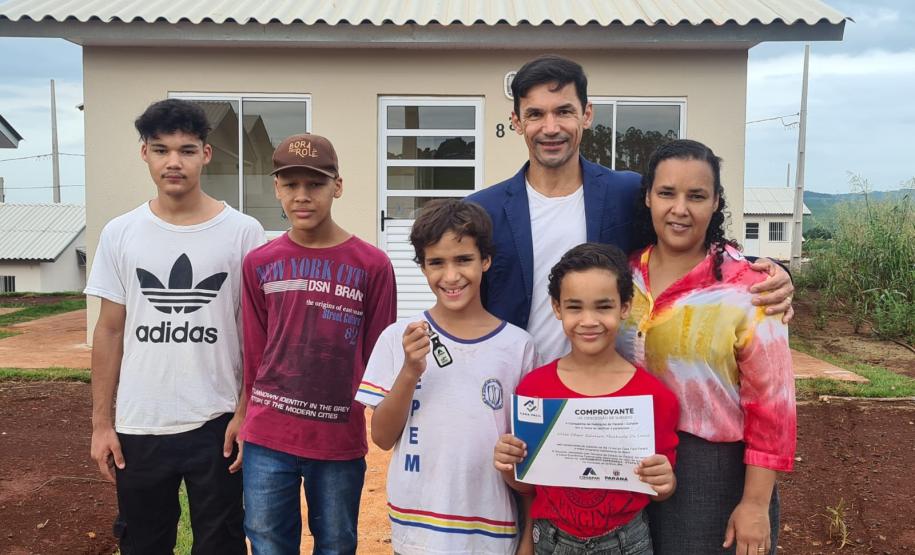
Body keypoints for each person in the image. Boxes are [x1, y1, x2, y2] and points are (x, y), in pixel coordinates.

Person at [466, 54, 794, 365]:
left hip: (610, 389)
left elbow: (689, 246)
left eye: (564, 111)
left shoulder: (625, 192)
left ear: (587, 114)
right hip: (516, 387)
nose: (551, 128)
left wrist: (768, 272)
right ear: (517, 121)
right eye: (535, 114)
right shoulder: (483, 211)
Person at [86, 98, 266, 554]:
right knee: (143, 544)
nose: (173, 162)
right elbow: (109, 331)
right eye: (160, 149)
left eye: (186, 150)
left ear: (206, 154)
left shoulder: (243, 232)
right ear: (144, 153)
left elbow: (255, 332)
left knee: (221, 545)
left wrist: (245, 411)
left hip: (217, 422)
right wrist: (101, 424)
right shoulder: (121, 232)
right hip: (140, 422)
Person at [616, 139, 796, 555]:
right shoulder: (623, 276)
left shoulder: (750, 289)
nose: (680, 209)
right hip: (629, 461)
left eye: (696, 196)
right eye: (667, 193)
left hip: (713, 471)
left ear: (716, 202)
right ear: (648, 197)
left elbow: (773, 406)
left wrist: (755, 504)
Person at [240, 132, 397, 555]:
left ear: (337, 186)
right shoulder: (260, 263)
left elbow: (379, 356)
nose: (302, 196)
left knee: (337, 543)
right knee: (268, 542)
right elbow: (254, 352)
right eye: (290, 184)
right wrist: (246, 417)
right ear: (276, 188)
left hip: (337, 437)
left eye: (315, 184)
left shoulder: (372, 265)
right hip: (268, 435)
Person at [355, 199, 537, 555]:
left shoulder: (519, 347)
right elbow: (382, 437)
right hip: (417, 533)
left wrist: (528, 537)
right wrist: (410, 371)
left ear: (486, 260)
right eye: (437, 262)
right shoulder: (399, 337)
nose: (451, 276)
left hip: (490, 531)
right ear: (422, 267)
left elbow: (527, 459)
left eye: (463, 259)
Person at [494, 242, 680, 554]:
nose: (589, 320)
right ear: (557, 308)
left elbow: (661, 490)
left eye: (603, 306)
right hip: (551, 541)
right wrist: (507, 465)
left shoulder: (655, 397)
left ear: (625, 307)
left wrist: (665, 481)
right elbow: (526, 485)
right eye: (575, 307)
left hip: (627, 542)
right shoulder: (534, 389)